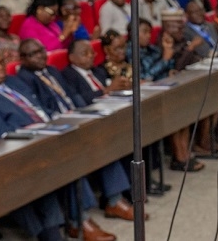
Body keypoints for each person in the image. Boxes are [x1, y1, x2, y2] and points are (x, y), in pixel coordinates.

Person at [0, 48, 116, 241]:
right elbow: (0, 131)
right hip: (14, 147)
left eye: (1, 62)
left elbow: (38, 107)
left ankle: (80, 220)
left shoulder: (12, 81)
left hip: (44, 133)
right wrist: (39, 131)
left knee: (73, 150)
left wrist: (53, 122)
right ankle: (70, 225)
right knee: (55, 163)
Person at [12, 39, 141, 220]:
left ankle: (116, 200)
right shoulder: (24, 79)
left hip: (76, 116)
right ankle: (85, 217)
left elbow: (74, 96)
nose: (41, 55)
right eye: (34, 53)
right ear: (22, 59)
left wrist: (82, 113)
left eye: (42, 50)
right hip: (56, 126)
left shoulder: (52, 71)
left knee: (103, 137)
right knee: (80, 151)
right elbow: (39, 108)